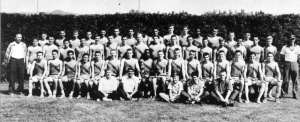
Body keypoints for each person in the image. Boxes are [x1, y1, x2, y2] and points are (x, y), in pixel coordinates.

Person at [280, 34, 300, 99]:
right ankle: (284, 93)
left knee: (295, 80)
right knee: (285, 79)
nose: (292, 40)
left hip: (295, 63)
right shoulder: (284, 47)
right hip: (287, 63)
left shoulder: (298, 47)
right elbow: (282, 57)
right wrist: (283, 64)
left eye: (293, 39)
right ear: (289, 39)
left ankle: (295, 93)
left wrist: (298, 64)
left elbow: (299, 57)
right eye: (291, 39)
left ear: (295, 39)